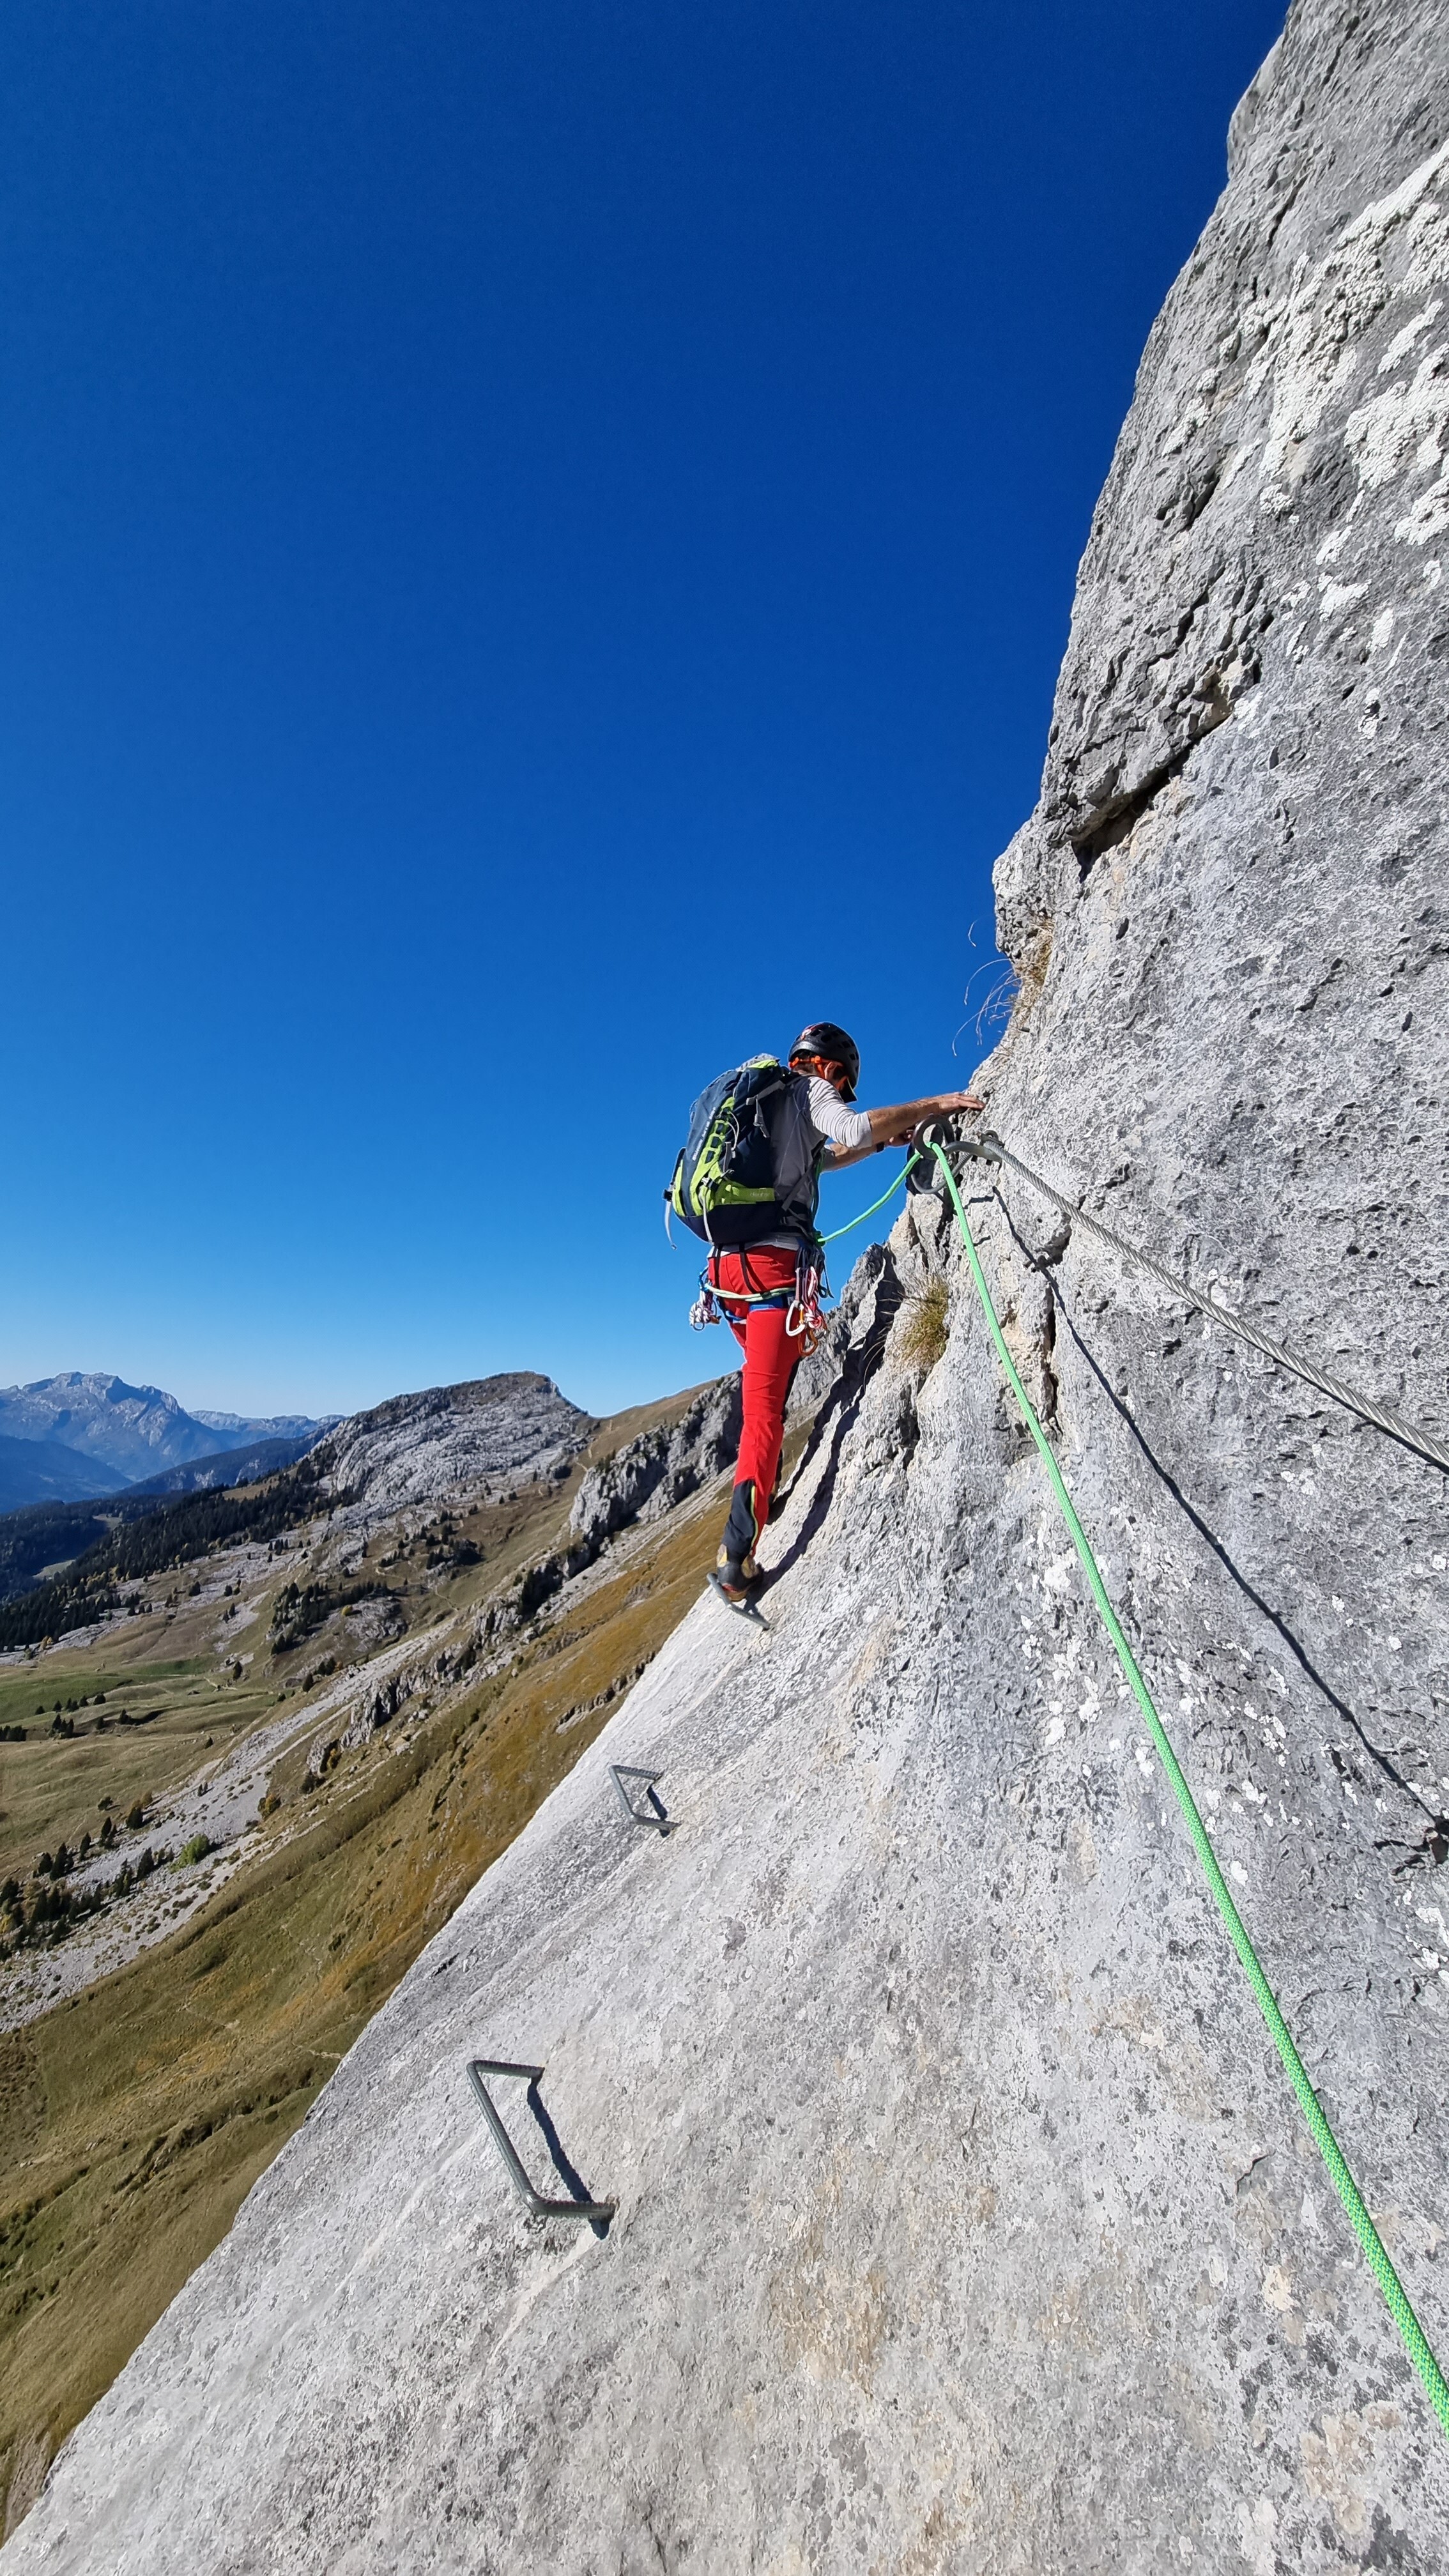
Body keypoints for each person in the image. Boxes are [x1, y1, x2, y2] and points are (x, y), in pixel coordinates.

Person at [710, 1022, 983, 1604]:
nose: (843, 1093)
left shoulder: (768, 1105)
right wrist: (933, 1104)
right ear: (830, 1068)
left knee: (772, 1378)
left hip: (726, 1276)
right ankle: (736, 1560)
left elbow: (827, 1158)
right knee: (763, 1413)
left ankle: (760, 1487)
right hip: (771, 1273)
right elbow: (852, 1127)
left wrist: (881, 1144)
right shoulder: (811, 1089)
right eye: (845, 1084)